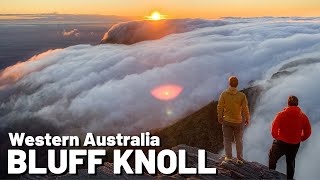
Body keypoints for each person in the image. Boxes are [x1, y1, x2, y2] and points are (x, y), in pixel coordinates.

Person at [269, 95, 311, 179]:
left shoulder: (281, 114)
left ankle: (271, 175)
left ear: (288, 103)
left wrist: (277, 137)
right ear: (297, 104)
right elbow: (308, 132)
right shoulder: (304, 117)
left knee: (272, 158)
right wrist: (300, 138)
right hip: (294, 144)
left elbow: (274, 129)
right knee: (291, 162)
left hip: (280, 142)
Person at [217, 76, 250, 164]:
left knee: (227, 139)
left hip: (227, 120)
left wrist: (220, 116)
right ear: (237, 84)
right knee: (238, 140)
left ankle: (228, 157)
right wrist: (247, 118)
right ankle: (239, 159)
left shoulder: (224, 94)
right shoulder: (241, 95)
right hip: (238, 121)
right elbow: (245, 108)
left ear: (229, 84)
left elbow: (220, 106)